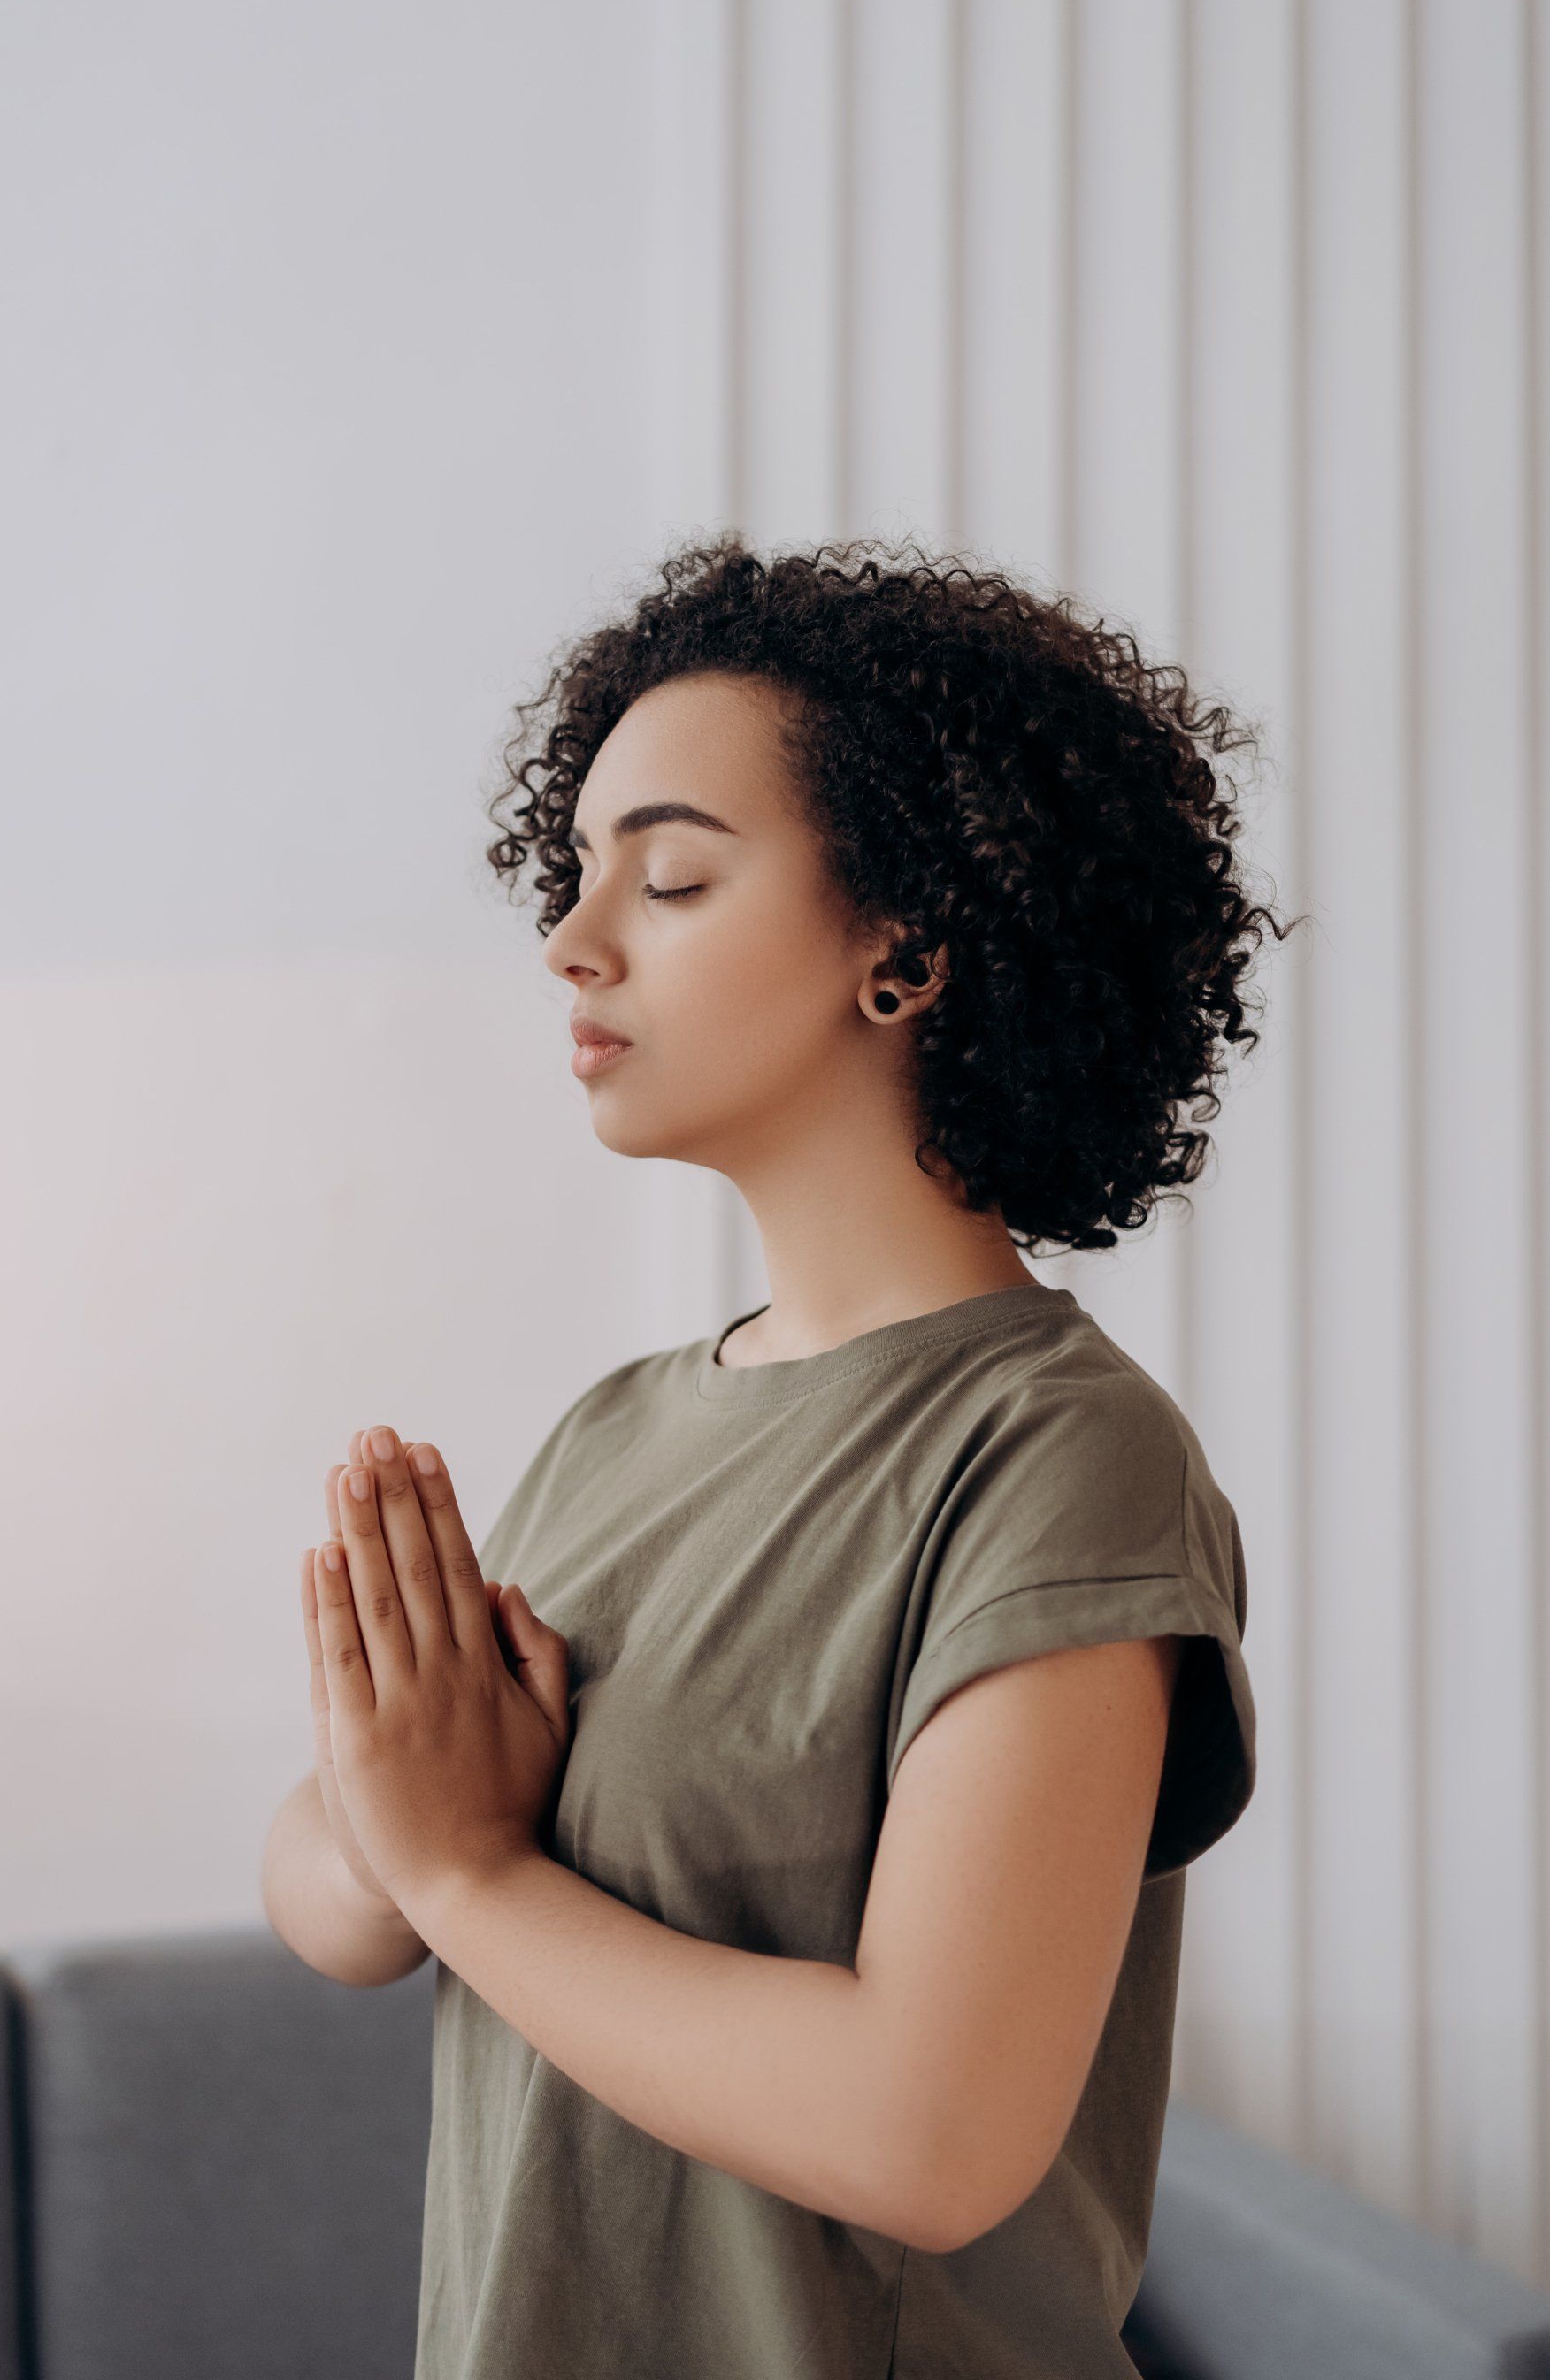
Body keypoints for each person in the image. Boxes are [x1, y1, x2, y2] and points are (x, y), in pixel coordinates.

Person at [262, 537, 1294, 2378]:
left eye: (668, 875)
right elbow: (343, 1900)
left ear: (902, 948)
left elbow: (933, 2134)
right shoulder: (623, 1427)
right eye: (576, 874)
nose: (576, 939)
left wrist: (472, 1873)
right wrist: (395, 1817)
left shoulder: (1060, 1459)